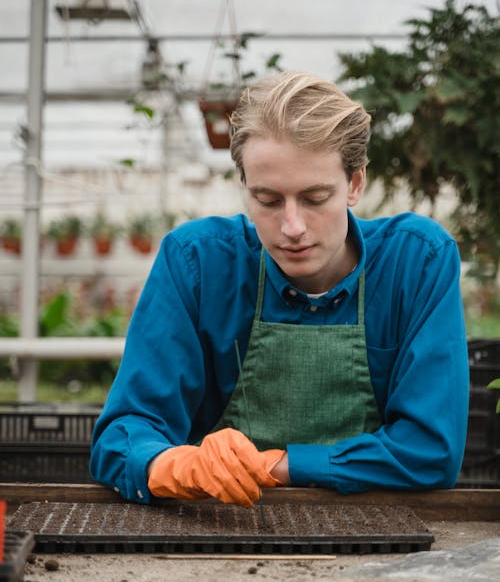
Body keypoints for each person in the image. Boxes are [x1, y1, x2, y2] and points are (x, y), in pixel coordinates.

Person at [90, 71, 469, 507]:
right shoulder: (199, 263)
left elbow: (431, 449)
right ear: (246, 188)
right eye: (268, 201)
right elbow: (123, 433)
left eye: (314, 198)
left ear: (355, 183)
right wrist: (169, 465)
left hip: (377, 539)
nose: (292, 227)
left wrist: (276, 466)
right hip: (217, 531)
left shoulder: (415, 261)